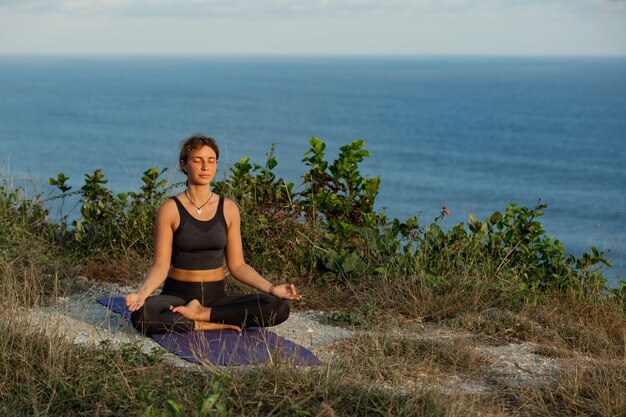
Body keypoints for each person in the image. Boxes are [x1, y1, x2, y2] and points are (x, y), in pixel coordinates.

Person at [125, 134, 301, 335]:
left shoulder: (228, 208)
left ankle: (202, 314)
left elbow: (238, 266)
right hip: (178, 295)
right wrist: (141, 294)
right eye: (197, 160)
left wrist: (272, 288)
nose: (205, 167)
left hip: (216, 297)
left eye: (211, 161)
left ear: (216, 165)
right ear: (184, 165)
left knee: (278, 307)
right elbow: (160, 265)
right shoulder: (170, 208)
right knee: (143, 314)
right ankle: (205, 323)